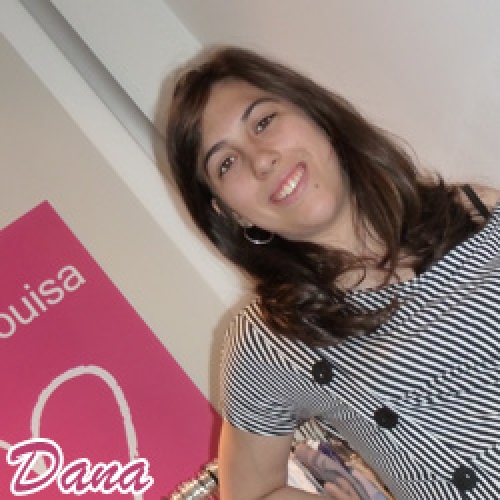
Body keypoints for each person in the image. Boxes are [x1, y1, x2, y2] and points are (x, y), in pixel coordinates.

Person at [165, 46, 500, 500]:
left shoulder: (477, 211)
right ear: (230, 212)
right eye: (226, 163)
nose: (261, 160)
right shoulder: (271, 340)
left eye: (264, 122)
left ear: (315, 115)